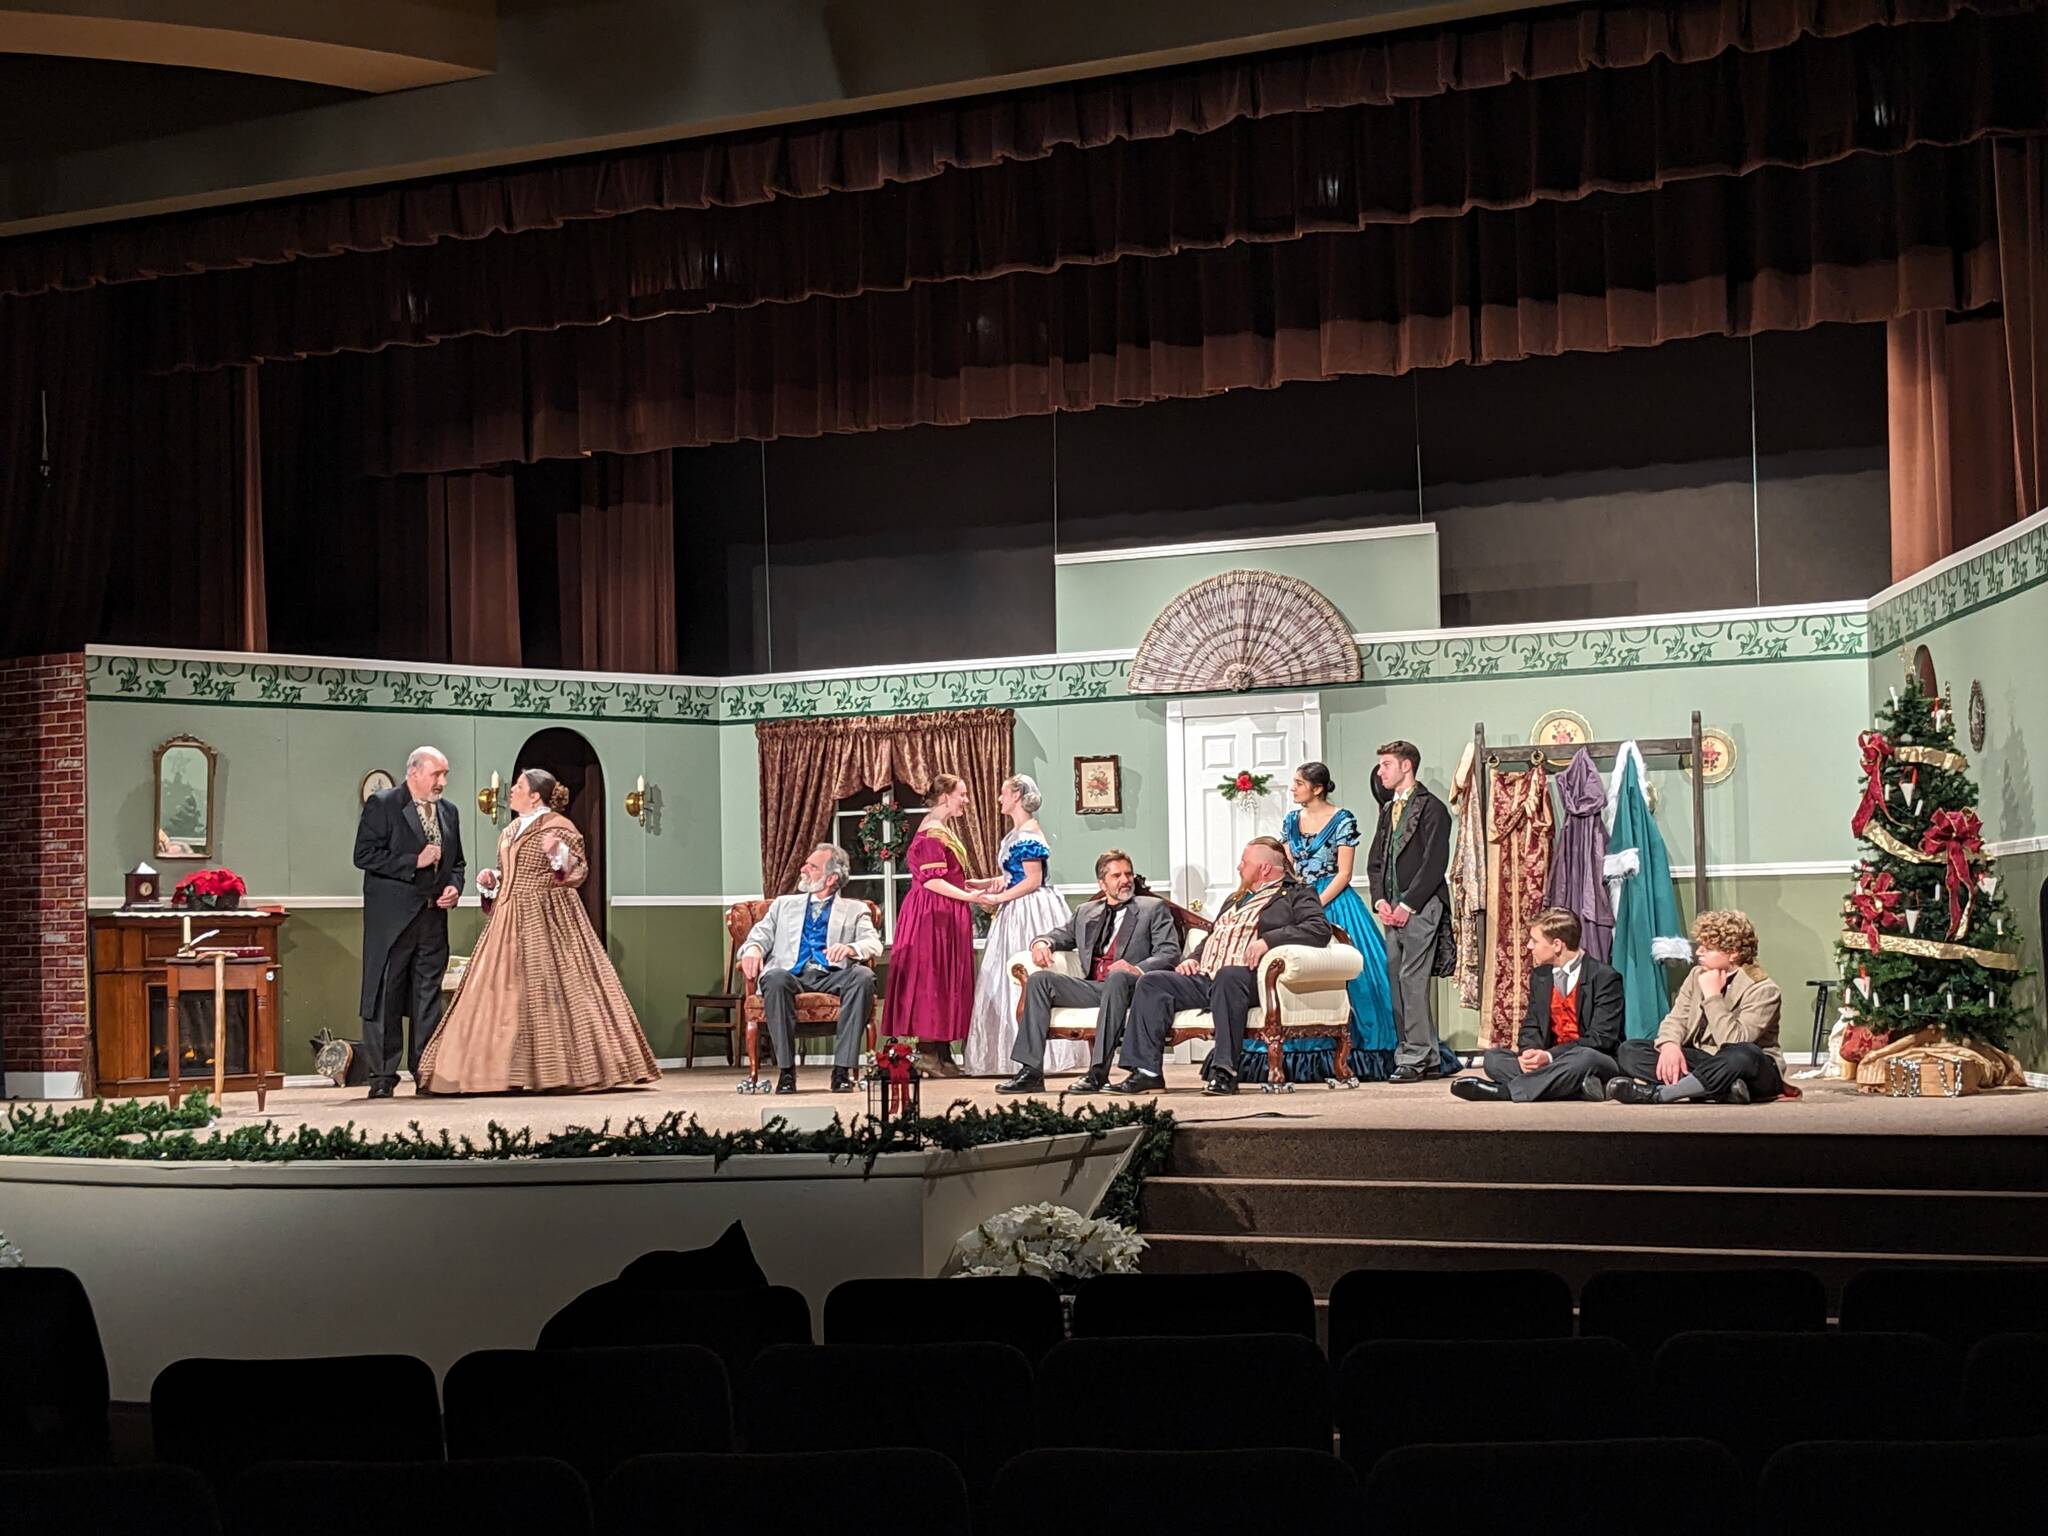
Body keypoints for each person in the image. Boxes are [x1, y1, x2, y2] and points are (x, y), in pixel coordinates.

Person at [416, 768, 660, 1094]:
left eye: (518, 786)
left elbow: (577, 872)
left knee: (551, 993)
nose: (511, 791)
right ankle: (499, 1072)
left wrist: (556, 852)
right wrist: (492, 884)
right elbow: (510, 875)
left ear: (535, 795)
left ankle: (561, 1069)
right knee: (500, 994)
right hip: (508, 918)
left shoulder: (559, 826)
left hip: (549, 915)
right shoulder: (511, 830)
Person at [1110, 837, 1332, 1097]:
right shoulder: (1235, 898)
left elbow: (1319, 929)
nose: (1239, 868)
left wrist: (1268, 941)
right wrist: (1193, 957)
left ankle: (1226, 1072)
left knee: (1228, 976)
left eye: (1244, 862)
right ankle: (1146, 1072)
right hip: (1208, 977)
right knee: (1152, 981)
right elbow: (1214, 936)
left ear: (1264, 869)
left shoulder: (1296, 894)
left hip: (1251, 979)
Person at [1003, 848, 1180, 1095]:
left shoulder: (1152, 908)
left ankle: (1097, 1073)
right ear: (1102, 883)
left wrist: (1136, 969)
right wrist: (1042, 943)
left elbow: (1169, 952)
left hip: (1132, 988)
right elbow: (1062, 935)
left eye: (1128, 874)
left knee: (1117, 977)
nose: (1125, 880)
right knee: (1040, 980)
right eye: (1116, 876)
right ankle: (1031, 1071)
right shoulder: (1087, 911)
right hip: (1095, 987)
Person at [1271, 762, 1396, 1082]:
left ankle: (1361, 1050)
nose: (1293, 788)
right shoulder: (1291, 820)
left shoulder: (1343, 819)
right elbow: (1287, 866)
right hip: (1299, 899)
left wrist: (1315, 904)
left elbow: (1344, 872)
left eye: (1299, 783)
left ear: (1318, 788)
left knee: (1358, 976)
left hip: (1335, 901)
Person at [353, 745, 465, 1099]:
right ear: (414, 772)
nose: (442, 782)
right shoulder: (384, 804)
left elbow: (458, 862)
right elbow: (364, 855)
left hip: (432, 918)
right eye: (436, 774)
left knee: (427, 996)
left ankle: (425, 1070)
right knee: (387, 994)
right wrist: (412, 861)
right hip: (394, 920)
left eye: (445, 774)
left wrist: (454, 887)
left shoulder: (449, 812)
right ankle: (383, 1075)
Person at [965, 775, 1090, 1079]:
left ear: (1018, 795)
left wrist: (997, 899)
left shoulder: (1029, 833)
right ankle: (1010, 1055)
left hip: (1032, 909)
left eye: (1003, 792)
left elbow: (1033, 881)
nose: (999, 799)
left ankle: (1043, 1056)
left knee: (1030, 974)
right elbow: (1013, 876)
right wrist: (986, 884)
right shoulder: (1016, 834)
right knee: (1003, 978)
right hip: (1016, 905)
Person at [734, 842, 884, 1094]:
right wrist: (753, 949)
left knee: (863, 976)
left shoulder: (855, 909)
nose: (803, 869)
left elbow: (873, 944)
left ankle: (841, 1071)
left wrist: (850, 949)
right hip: (792, 974)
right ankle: (786, 1072)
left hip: (833, 976)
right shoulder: (783, 905)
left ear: (831, 878)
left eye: (812, 867)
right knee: (774, 978)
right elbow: (757, 937)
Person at [1607, 909, 1785, 1105]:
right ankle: (1720, 1090)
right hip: (1705, 1060)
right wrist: (1669, 1045)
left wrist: (1713, 996)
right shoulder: (1696, 975)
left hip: (1750, 1068)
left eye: (1707, 948)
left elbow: (1734, 1041)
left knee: (1743, 1054)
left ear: (1733, 953)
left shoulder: (1763, 989)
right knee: (1630, 1050)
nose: (1699, 951)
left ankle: (1661, 1094)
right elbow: (1677, 1018)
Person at [1452, 906, 1622, 1102]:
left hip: (1590, 1058)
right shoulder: (1540, 976)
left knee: (1585, 1058)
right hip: (1550, 1060)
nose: (1530, 946)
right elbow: (1531, 1026)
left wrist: (1549, 1057)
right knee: (1494, 1059)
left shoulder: (1604, 977)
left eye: (1535, 941)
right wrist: (1530, 1053)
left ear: (1557, 945)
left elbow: (1601, 1039)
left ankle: (1507, 1092)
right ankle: (1577, 1088)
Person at [878, 772, 979, 1076]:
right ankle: (928, 1052)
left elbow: (948, 877)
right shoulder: (932, 833)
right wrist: (969, 897)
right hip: (931, 916)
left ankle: (942, 1051)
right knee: (931, 980)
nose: (965, 800)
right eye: (961, 794)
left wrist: (975, 888)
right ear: (946, 796)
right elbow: (933, 881)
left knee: (946, 980)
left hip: (945, 913)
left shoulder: (942, 830)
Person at [1369, 739, 1453, 1082]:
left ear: (1406, 766)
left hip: (1420, 906)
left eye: (1386, 764)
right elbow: (1376, 861)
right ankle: (1427, 1055)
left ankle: (1414, 1057)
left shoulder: (1432, 808)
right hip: (1393, 908)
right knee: (1397, 980)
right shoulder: (1389, 809)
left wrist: (1408, 904)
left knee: (1412, 981)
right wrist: (1380, 900)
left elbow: (1435, 862)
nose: (1380, 771)